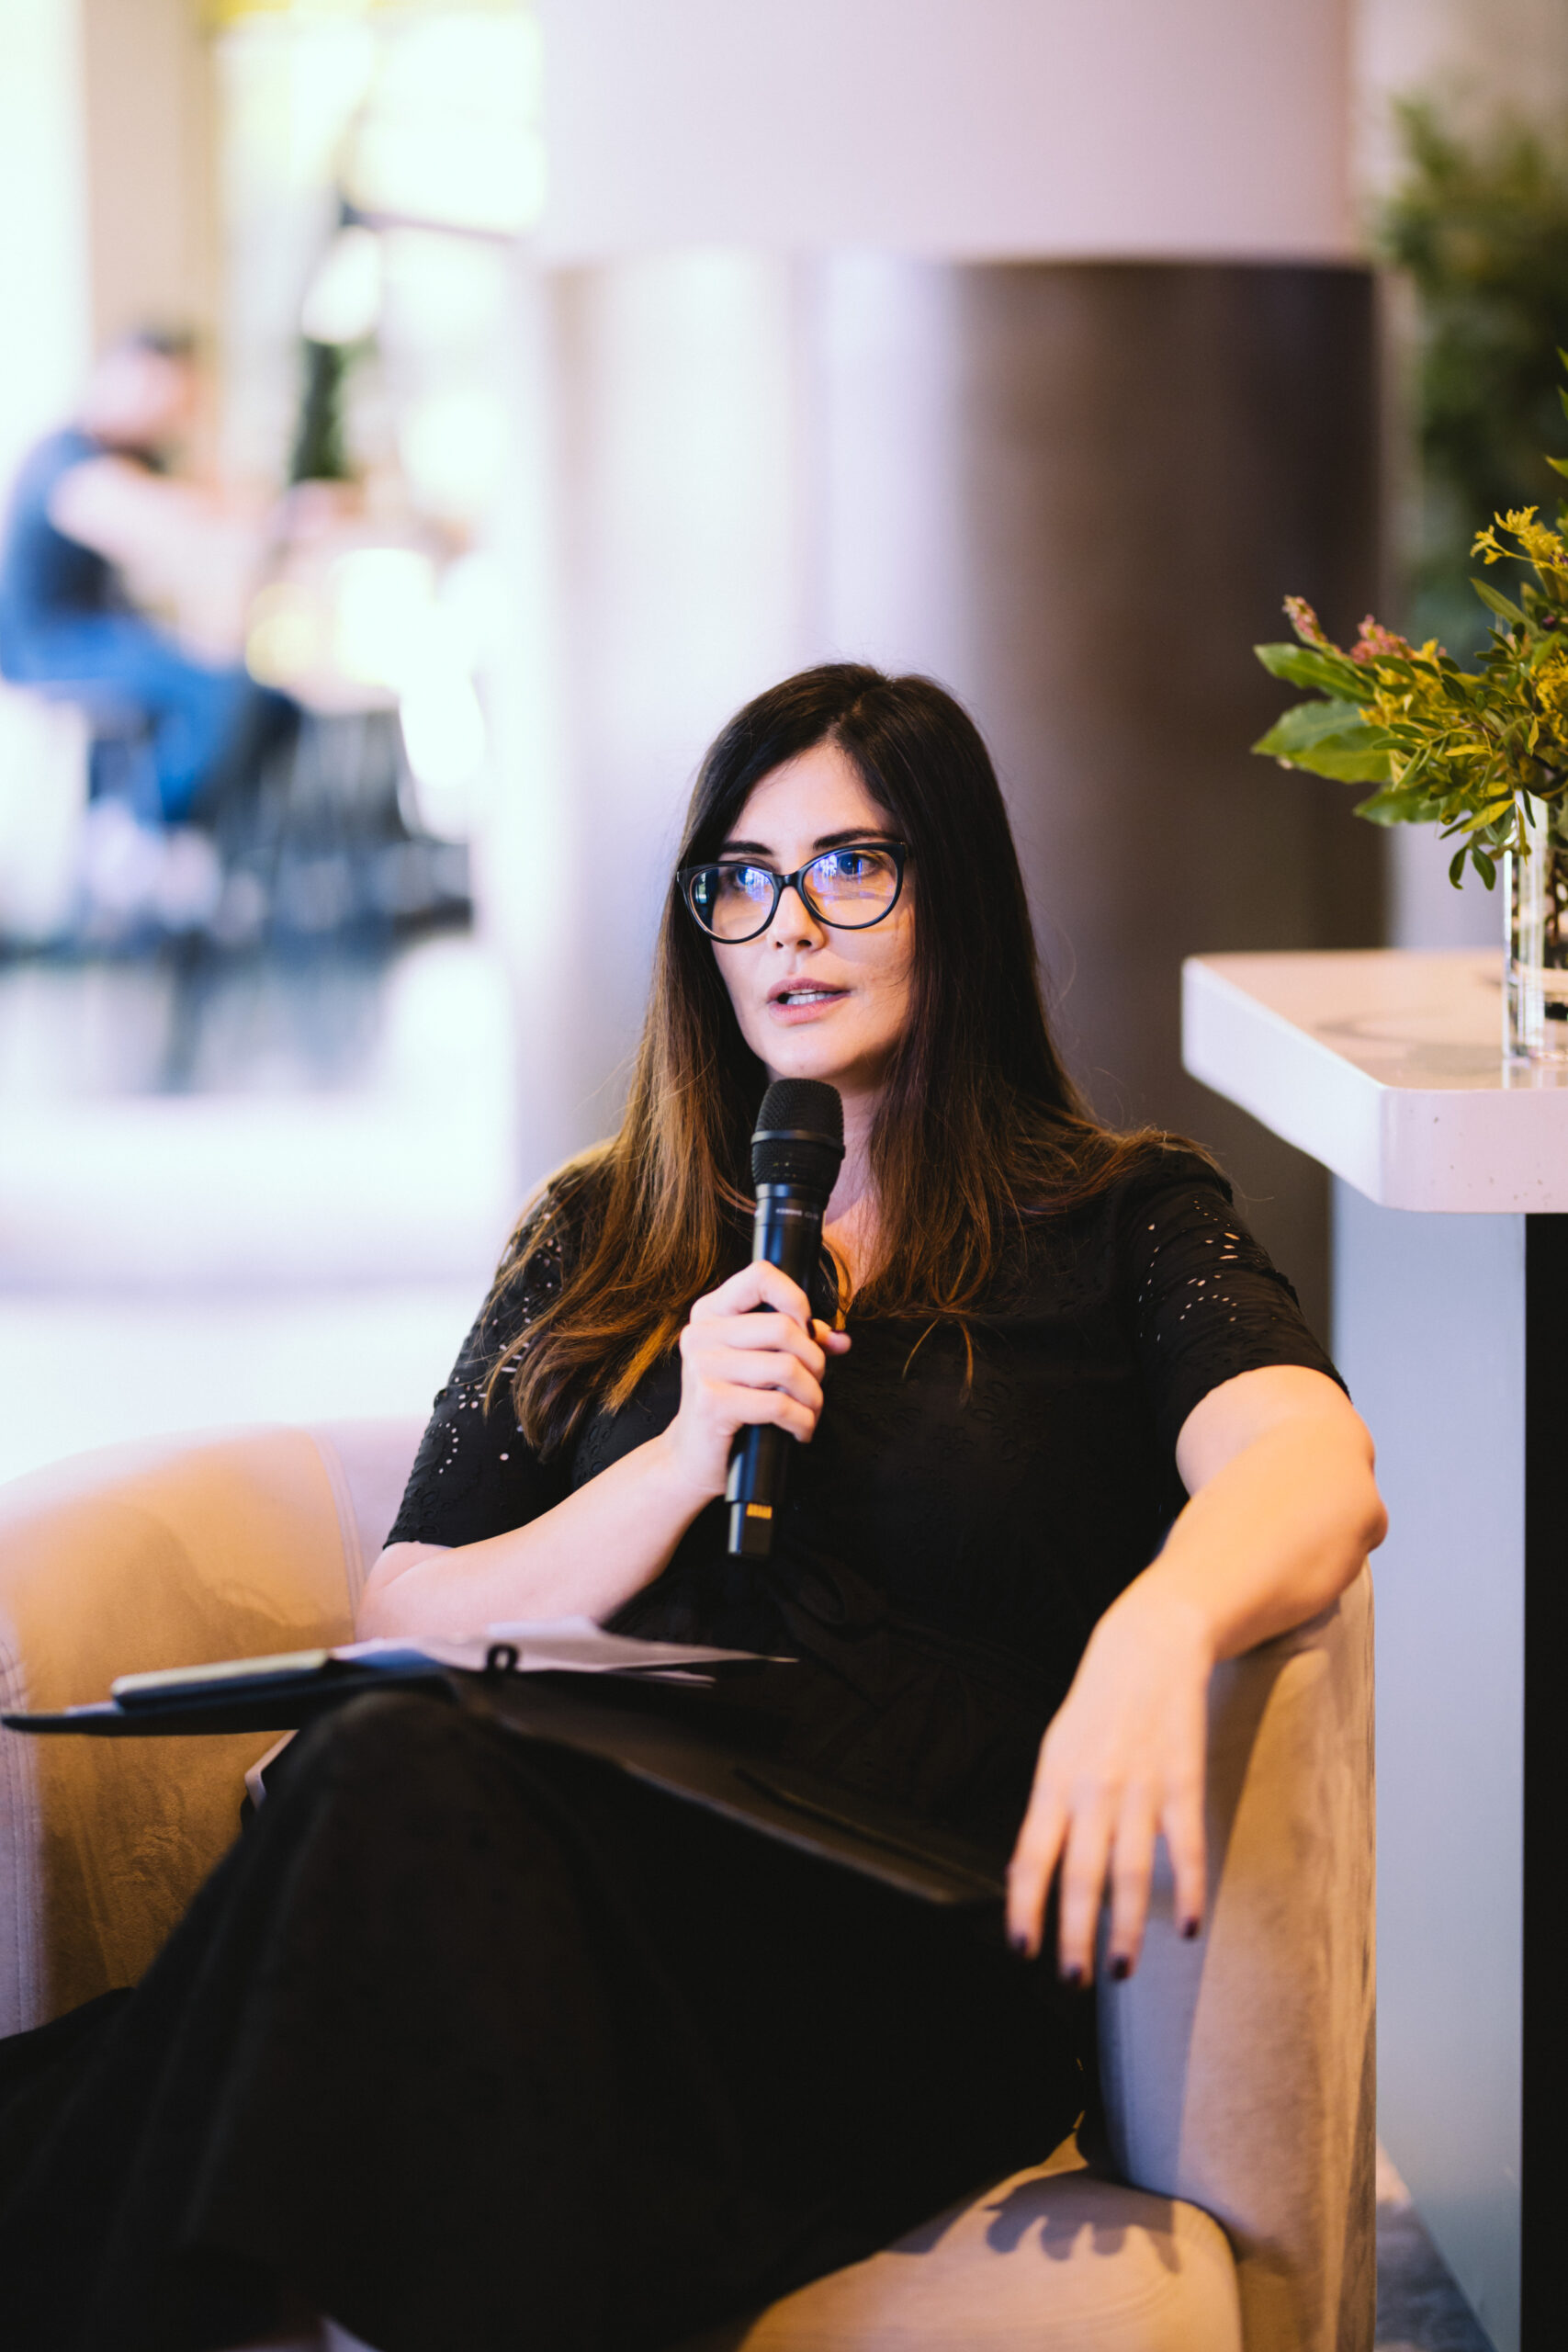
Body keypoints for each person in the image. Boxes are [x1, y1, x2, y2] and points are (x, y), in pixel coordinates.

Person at [0, 664, 1384, 2352]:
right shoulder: (600, 1233)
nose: (787, 925)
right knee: (388, 1779)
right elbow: (412, 1607)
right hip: (579, 1887)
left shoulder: (1116, 1221)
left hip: (896, 1947)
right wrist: (675, 1455)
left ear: (954, 893)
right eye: (740, 880)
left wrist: (1158, 1633)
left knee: (236, 1978)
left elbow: (1310, 1463)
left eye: (849, 868)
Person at [0, 328, 294, 834]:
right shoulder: (65, 459)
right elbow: (161, 526)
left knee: (273, 703)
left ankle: (229, 839)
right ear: (123, 375)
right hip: (48, 649)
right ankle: (143, 832)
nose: (170, 416)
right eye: (166, 396)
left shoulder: (133, 458)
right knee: (223, 692)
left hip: (108, 632)